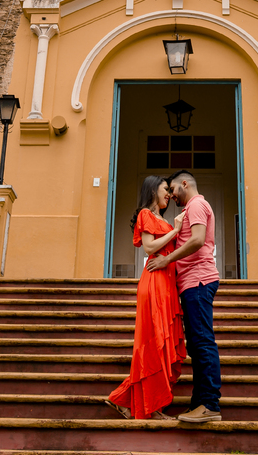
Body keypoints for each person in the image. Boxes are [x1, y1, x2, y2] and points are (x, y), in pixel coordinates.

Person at [105, 175, 187, 420]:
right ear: (153, 190)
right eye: (165, 189)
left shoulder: (162, 219)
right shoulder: (145, 214)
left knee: (161, 343)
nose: (169, 195)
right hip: (154, 283)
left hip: (167, 284)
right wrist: (177, 232)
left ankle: (127, 399)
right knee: (154, 343)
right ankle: (152, 406)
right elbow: (150, 247)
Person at [145, 169, 222, 423]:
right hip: (191, 283)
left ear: (185, 184)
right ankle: (200, 403)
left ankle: (209, 403)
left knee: (202, 343)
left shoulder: (197, 205)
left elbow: (198, 239)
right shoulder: (191, 209)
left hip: (198, 281)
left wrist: (167, 259)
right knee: (198, 344)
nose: (171, 195)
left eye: (174, 189)